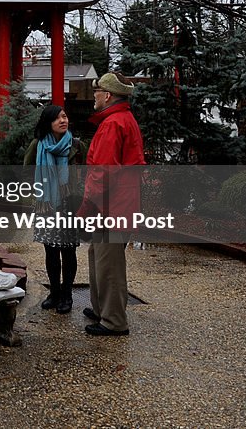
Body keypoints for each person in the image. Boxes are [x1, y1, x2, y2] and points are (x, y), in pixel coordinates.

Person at [77, 72, 145, 336]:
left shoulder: (113, 124)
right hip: (117, 204)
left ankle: (114, 321)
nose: (93, 95)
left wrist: (86, 208)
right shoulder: (121, 120)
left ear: (107, 95)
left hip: (112, 207)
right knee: (99, 256)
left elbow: (102, 173)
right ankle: (100, 309)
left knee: (109, 264)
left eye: (97, 91)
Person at [24, 105, 83, 314]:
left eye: (65, 116)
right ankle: (54, 292)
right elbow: (27, 171)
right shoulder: (38, 145)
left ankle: (67, 294)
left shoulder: (76, 145)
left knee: (68, 252)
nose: (62, 120)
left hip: (69, 204)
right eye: (57, 118)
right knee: (50, 250)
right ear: (48, 123)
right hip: (46, 205)